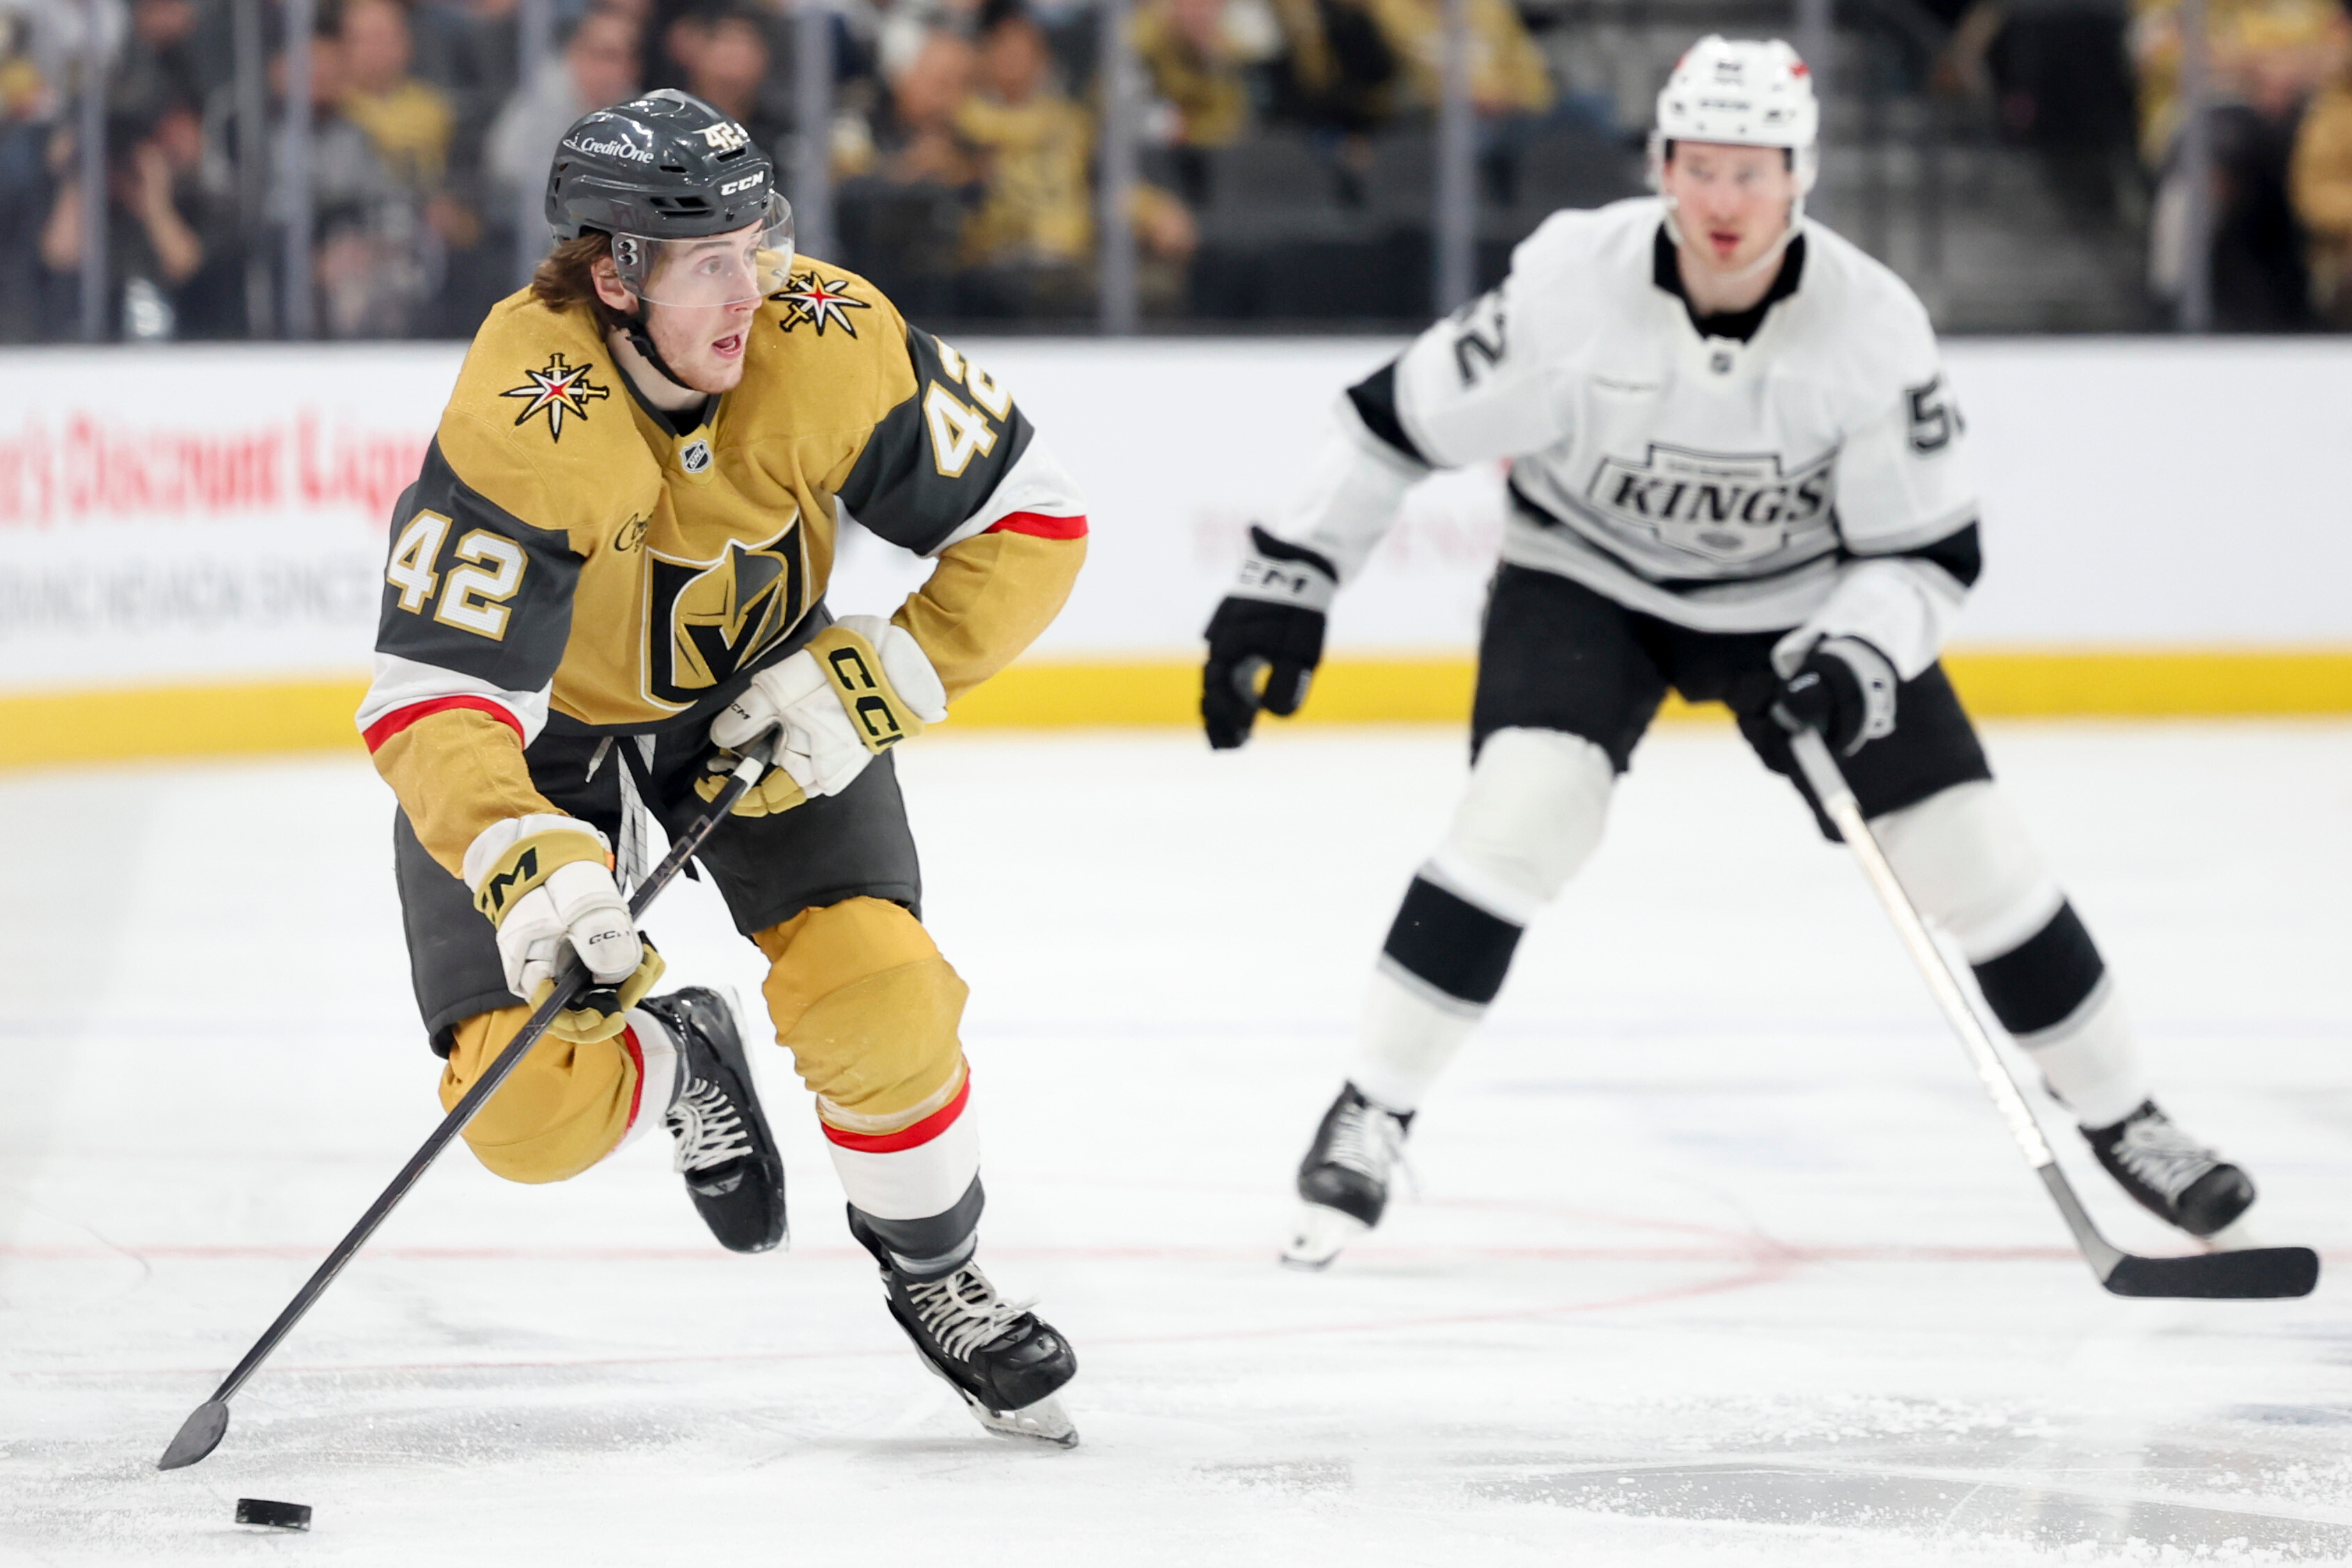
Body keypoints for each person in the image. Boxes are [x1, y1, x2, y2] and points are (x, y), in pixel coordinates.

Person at [1200, 37, 2267, 1270]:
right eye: (1697, 167)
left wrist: (1860, 658)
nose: (1721, 201)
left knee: (1969, 850)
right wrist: (1289, 577)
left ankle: (2127, 1114)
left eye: (1750, 173)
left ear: (1800, 179)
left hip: (1801, 607)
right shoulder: (1567, 284)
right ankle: (1372, 1107)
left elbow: (1927, 557)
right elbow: (1392, 421)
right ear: (1659, 165)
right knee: (1524, 812)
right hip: (1586, 582)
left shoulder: (1872, 328)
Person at [355, 88, 1089, 1441]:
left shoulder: (825, 333)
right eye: (705, 260)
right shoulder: (530, 409)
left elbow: (1032, 519)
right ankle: (679, 1054)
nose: (748, 285)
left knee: (883, 997)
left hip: (757, 696)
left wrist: (876, 675)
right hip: (545, 743)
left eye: (758, 238)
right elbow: (433, 695)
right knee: (525, 1120)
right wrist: (527, 860)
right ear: (609, 273)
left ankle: (938, 1275)